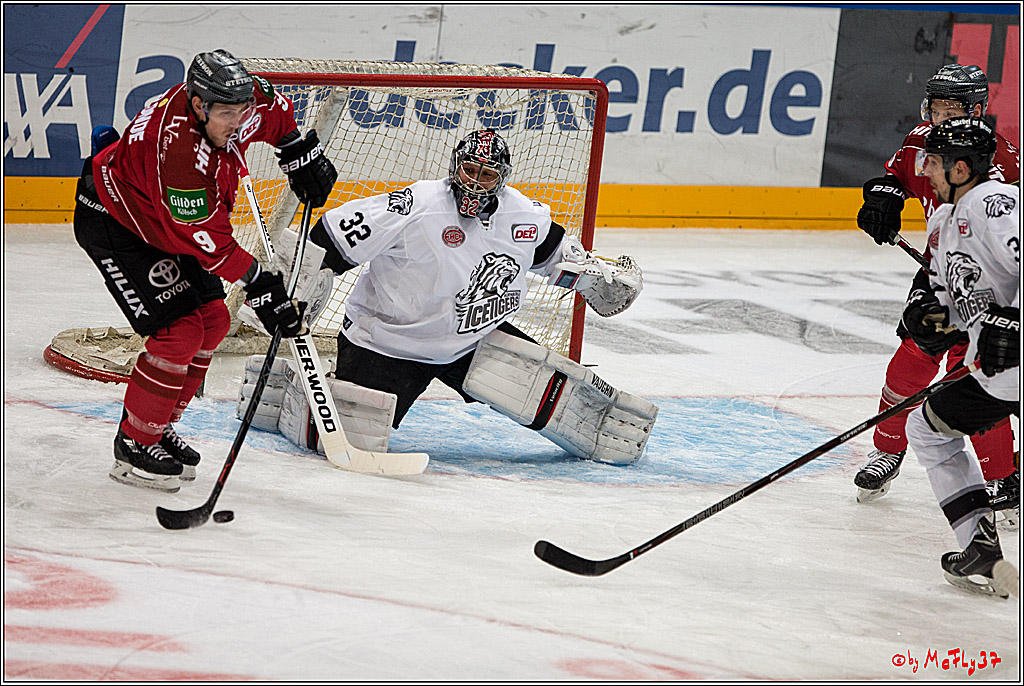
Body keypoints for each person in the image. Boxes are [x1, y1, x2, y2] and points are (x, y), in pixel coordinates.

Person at [241, 128, 658, 466]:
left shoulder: (524, 216)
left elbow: (560, 261)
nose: (476, 182)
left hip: (472, 340)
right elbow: (330, 239)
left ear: (503, 178)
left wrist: (597, 280)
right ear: (455, 167)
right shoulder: (414, 205)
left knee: (563, 403)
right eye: (470, 169)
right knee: (348, 437)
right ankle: (282, 391)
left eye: (487, 175)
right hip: (388, 344)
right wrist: (298, 283)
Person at [73, 49, 338, 492]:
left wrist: (296, 151)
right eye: (227, 114)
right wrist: (260, 284)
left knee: (213, 321)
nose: (237, 121)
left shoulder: (235, 104)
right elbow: (207, 241)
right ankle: (134, 442)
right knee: (178, 333)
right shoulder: (178, 156)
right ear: (198, 105)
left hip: (160, 222)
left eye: (242, 110)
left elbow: (275, 112)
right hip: (117, 221)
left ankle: (157, 427)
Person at [853, 64, 1020, 528]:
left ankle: (1003, 476)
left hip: (992, 288)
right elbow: (899, 174)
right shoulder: (920, 139)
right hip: (942, 274)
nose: (941, 117)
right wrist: (883, 196)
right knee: (911, 359)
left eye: (952, 108)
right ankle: (887, 450)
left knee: (973, 378)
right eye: (937, 106)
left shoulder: (999, 162)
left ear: (976, 110)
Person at [902, 116, 1019, 597]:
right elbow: (945, 295)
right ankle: (980, 545)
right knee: (927, 429)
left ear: (961, 168)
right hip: (999, 373)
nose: (924, 170)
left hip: (1010, 361)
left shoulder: (996, 204)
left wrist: (1014, 322)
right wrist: (928, 316)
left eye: (934, 161)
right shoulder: (945, 220)